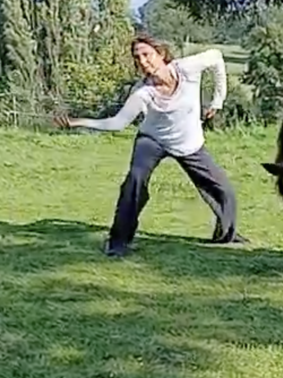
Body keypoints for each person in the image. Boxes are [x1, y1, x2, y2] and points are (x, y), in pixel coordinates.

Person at [53, 35, 246, 257]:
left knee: (223, 190)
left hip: (188, 143)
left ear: (161, 54)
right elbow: (117, 123)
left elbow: (216, 57)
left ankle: (226, 235)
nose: (143, 62)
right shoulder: (142, 92)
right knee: (135, 181)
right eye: (138, 58)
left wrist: (217, 101)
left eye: (147, 55)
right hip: (152, 140)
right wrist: (78, 122)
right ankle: (118, 242)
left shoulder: (186, 69)